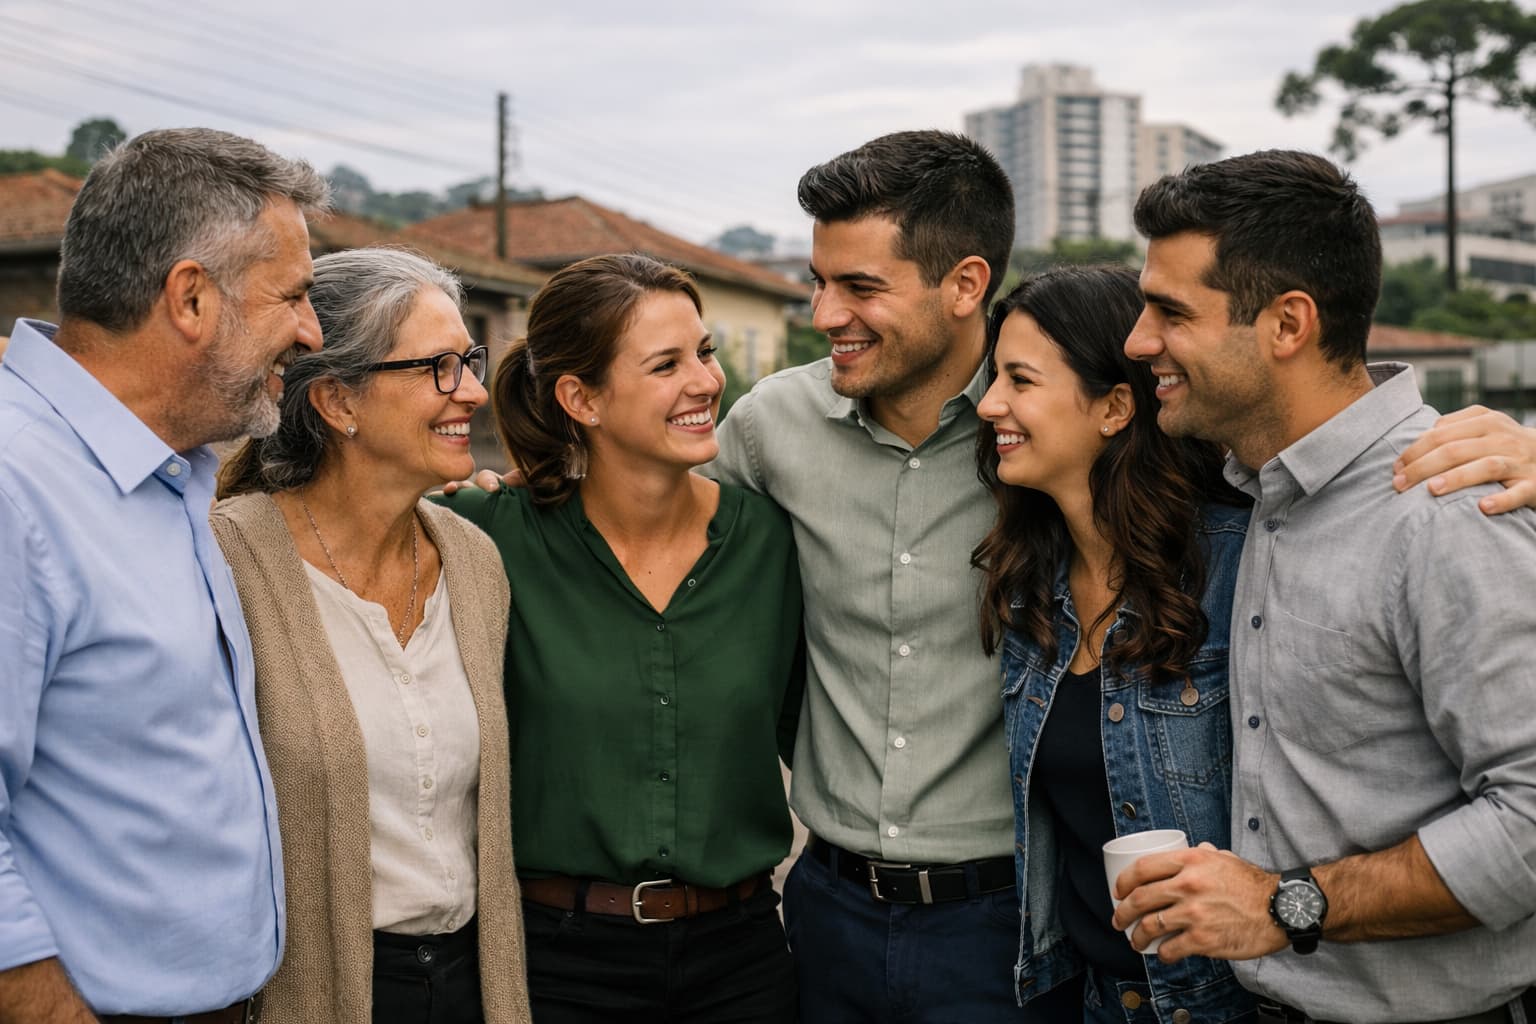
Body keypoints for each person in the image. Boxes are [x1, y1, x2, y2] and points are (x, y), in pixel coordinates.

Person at [1115, 149, 1536, 1024]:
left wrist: (1282, 905)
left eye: (1169, 311)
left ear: (1288, 323)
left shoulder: (1445, 512)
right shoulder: (1248, 489)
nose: (1137, 341)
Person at [0, 128, 325, 1020]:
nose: (312, 330)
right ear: (190, 297)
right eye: (293, 295)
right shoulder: (16, 484)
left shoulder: (171, 469)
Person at [437, 253, 803, 1023]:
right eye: (666, 364)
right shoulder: (480, 537)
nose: (706, 381)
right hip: (555, 966)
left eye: (702, 352)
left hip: (742, 963)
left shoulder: (770, 543)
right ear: (581, 398)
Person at [211, 248, 532, 1024]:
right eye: (440, 368)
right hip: (321, 991)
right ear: (336, 402)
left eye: (471, 361)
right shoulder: (228, 561)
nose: (476, 392)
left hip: (470, 983)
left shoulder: (474, 561)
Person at [973, 265, 1255, 1022]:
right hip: (1087, 998)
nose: (989, 402)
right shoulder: (1032, 585)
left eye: (1020, 380)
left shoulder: (1239, 564)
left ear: (1114, 406)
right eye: (994, 376)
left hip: (1225, 1005)